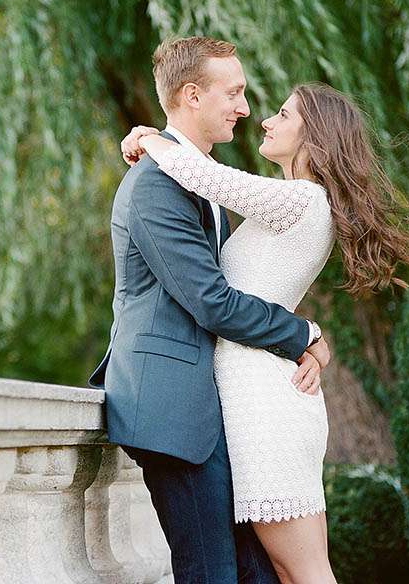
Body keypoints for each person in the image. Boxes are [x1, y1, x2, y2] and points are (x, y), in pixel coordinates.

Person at [117, 53, 409, 583]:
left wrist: (148, 137)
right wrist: (307, 333)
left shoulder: (298, 199)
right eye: (236, 94)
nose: (260, 115)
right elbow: (228, 286)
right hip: (246, 398)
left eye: (282, 115)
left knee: (300, 571)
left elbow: (207, 176)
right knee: (279, 572)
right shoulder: (292, 201)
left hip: (265, 400)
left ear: (315, 138)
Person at [89, 36, 332, 584]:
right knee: (213, 573)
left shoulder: (195, 176)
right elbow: (210, 300)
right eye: (234, 93)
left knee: (256, 573)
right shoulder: (155, 184)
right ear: (192, 95)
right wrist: (302, 333)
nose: (245, 108)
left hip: (215, 408)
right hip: (171, 406)